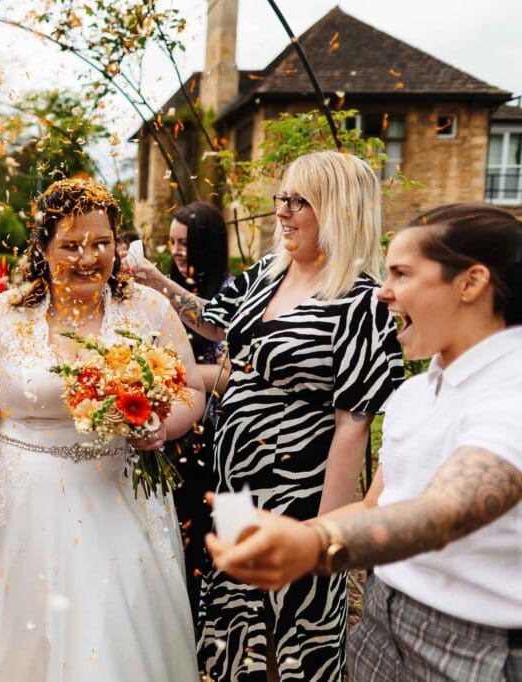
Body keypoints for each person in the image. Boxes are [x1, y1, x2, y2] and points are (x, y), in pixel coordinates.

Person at [206, 204, 522, 681]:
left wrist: (315, 543)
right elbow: (378, 505)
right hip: (379, 623)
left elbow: (447, 511)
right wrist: (279, 535)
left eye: (402, 273)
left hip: (472, 646)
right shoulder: (417, 392)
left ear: (470, 283)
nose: (383, 291)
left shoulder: (512, 386)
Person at [0, 177, 205, 681]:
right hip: (15, 506)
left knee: (111, 639)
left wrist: (162, 425)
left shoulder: (149, 309)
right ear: (42, 246)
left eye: (101, 243)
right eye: (71, 245)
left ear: (118, 244)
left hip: (120, 500)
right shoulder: (1, 316)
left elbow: (191, 390)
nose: (87, 258)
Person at [166, 151, 404, 679]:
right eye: (283, 198)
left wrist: (326, 538)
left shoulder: (361, 303)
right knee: (236, 629)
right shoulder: (266, 275)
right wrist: (147, 281)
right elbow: (211, 322)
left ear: (340, 210)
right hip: (234, 484)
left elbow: (353, 424)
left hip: (299, 493)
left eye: (302, 202)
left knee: (293, 640)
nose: (284, 211)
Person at [133, 201, 232, 625]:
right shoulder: (161, 289)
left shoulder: (227, 293)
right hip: (157, 430)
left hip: (207, 440)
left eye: (186, 243)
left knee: (195, 540)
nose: (177, 251)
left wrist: (175, 376)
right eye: (171, 242)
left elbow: (233, 375)